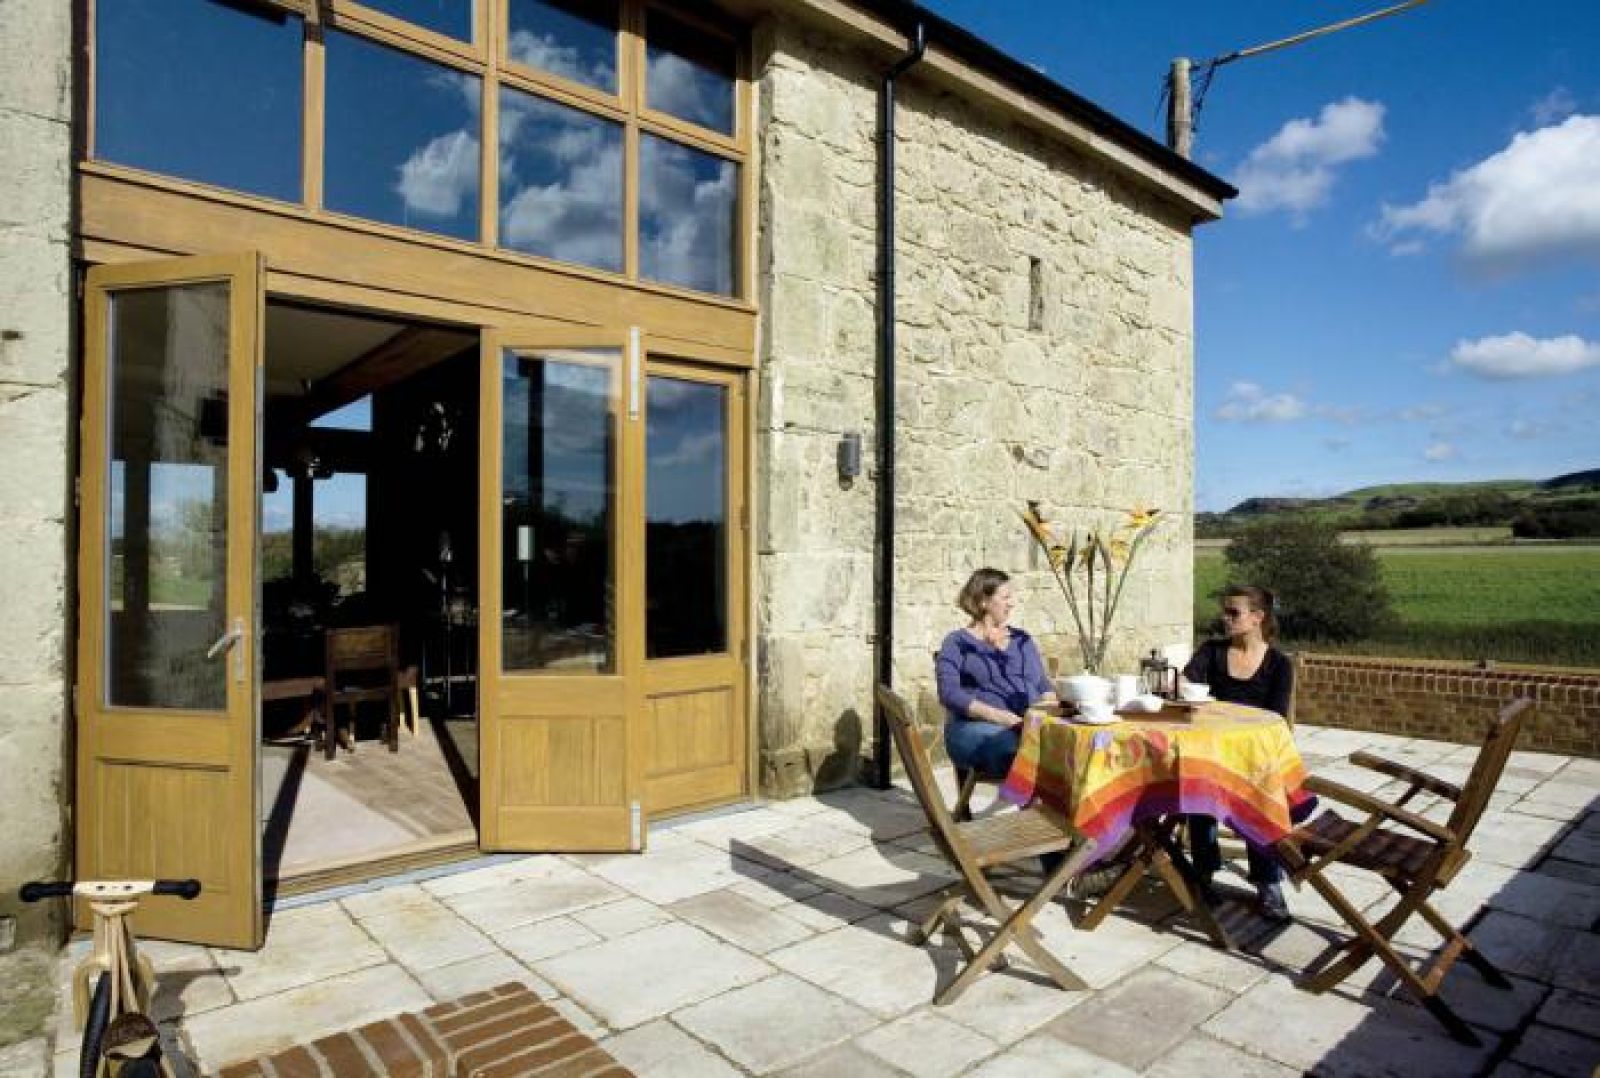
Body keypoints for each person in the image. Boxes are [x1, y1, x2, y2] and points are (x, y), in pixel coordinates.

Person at [1182, 584, 1294, 920]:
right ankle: (1204, 871)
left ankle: (1267, 881)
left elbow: (1275, 720)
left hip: (1254, 759)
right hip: (1209, 752)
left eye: (1234, 613)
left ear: (1258, 617)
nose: (1225, 618)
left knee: (1257, 801)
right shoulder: (1211, 652)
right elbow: (1185, 686)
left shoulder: (1278, 664)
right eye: (1225, 611)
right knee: (1197, 791)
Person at [934, 568, 1056, 780]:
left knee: (1070, 746)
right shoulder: (957, 642)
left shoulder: (1021, 640)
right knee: (1016, 748)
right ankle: (1031, 799)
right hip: (974, 727)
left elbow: (1042, 684)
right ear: (984, 601)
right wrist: (1001, 717)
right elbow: (949, 693)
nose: (1012, 603)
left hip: (1028, 725)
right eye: (1006, 597)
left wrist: (1052, 710)